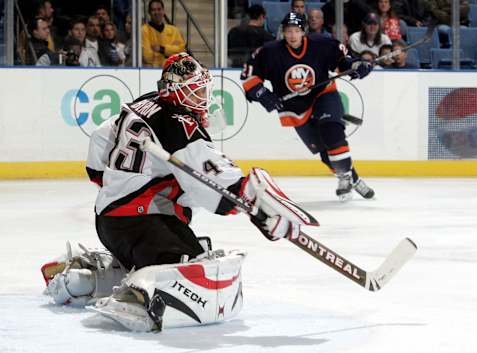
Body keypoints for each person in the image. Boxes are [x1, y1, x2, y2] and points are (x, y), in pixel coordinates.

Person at [42, 52, 308, 331]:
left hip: (113, 220)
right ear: (178, 92)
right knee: (189, 271)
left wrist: (111, 182)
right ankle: (135, 296)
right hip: (140, 223)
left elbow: (99, 137)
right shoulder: (179, 123)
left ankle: (86, 278)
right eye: (197, 91)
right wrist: (255, 201)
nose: (203, 98)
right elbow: (214, 184)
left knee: (191, 255)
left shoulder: (145, 102)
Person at [241, 13, 375, 201]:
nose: (293, 35)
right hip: (294, 108)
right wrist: (264, 95)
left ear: (303, 31)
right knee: (324, 152)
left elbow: (344, 61)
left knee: (332, 130)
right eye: (289, 31)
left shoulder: (322, 44)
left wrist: (358, 66)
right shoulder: (269, 52)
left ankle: (344, 177)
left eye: (296, 31)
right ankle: (354, 178)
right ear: (283, 32)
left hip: (322, 94)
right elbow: (249, 78)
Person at [142, 0, 186, 67]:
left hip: (171, 70)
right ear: (149, 12)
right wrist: (171, 52)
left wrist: (162, 49)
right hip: (151, 71)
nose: (156, 12)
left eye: (159, 9)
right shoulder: (144, 30)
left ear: (163, 11)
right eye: (153, 10)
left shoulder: (174, 30)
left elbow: (181, 52)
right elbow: (147, 57)